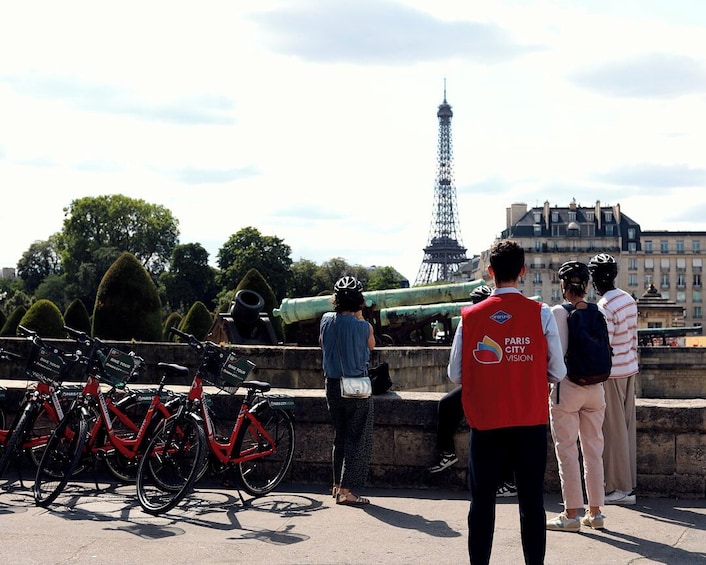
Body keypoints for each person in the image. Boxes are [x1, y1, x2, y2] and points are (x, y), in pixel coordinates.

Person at [448, 240, 565, 565]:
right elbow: (558, 370)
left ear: (490, 273)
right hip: (529, 421)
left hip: (486, 423)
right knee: (532, 504)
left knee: (482, 504)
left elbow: (455, 373)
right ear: (523, 271)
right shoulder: (540, 313)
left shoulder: (469, 317)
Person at [429, 284, 518, 498]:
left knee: (448, 405)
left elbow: (455, 370)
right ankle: (508, 481)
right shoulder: (506, 323)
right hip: (503, 387)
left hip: (479, 387)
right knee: (503, 430)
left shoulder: (469, 321)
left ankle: (447, 452)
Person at [546, 261, 607, 532]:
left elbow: (555, 355)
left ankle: (571, 514)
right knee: (594, 449)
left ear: (563, 286)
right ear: (586, 286)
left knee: (567, 451)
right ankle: (596, 513)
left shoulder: (558, 312)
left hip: (568, 387)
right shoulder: (598, 311)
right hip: (596, 388)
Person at [319, 275, 376, 506]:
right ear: (359, 301)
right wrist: (360, 316)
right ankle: (346, 490)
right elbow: (371, 346)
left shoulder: (325, 320)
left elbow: (323, 344)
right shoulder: (363, 326)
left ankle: (336, 485)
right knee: (357, 438)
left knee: (340, 436)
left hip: (332, 384)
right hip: (356, 387)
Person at [589, 253, 639, 506]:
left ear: (594, 278)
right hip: (630, 369)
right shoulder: (627, 299)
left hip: (612, 375)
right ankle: (628, 482)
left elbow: (603, 347)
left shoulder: (604, 306)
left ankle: (620, 487)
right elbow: (632, 338)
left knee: (613, 432)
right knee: (626, 430)